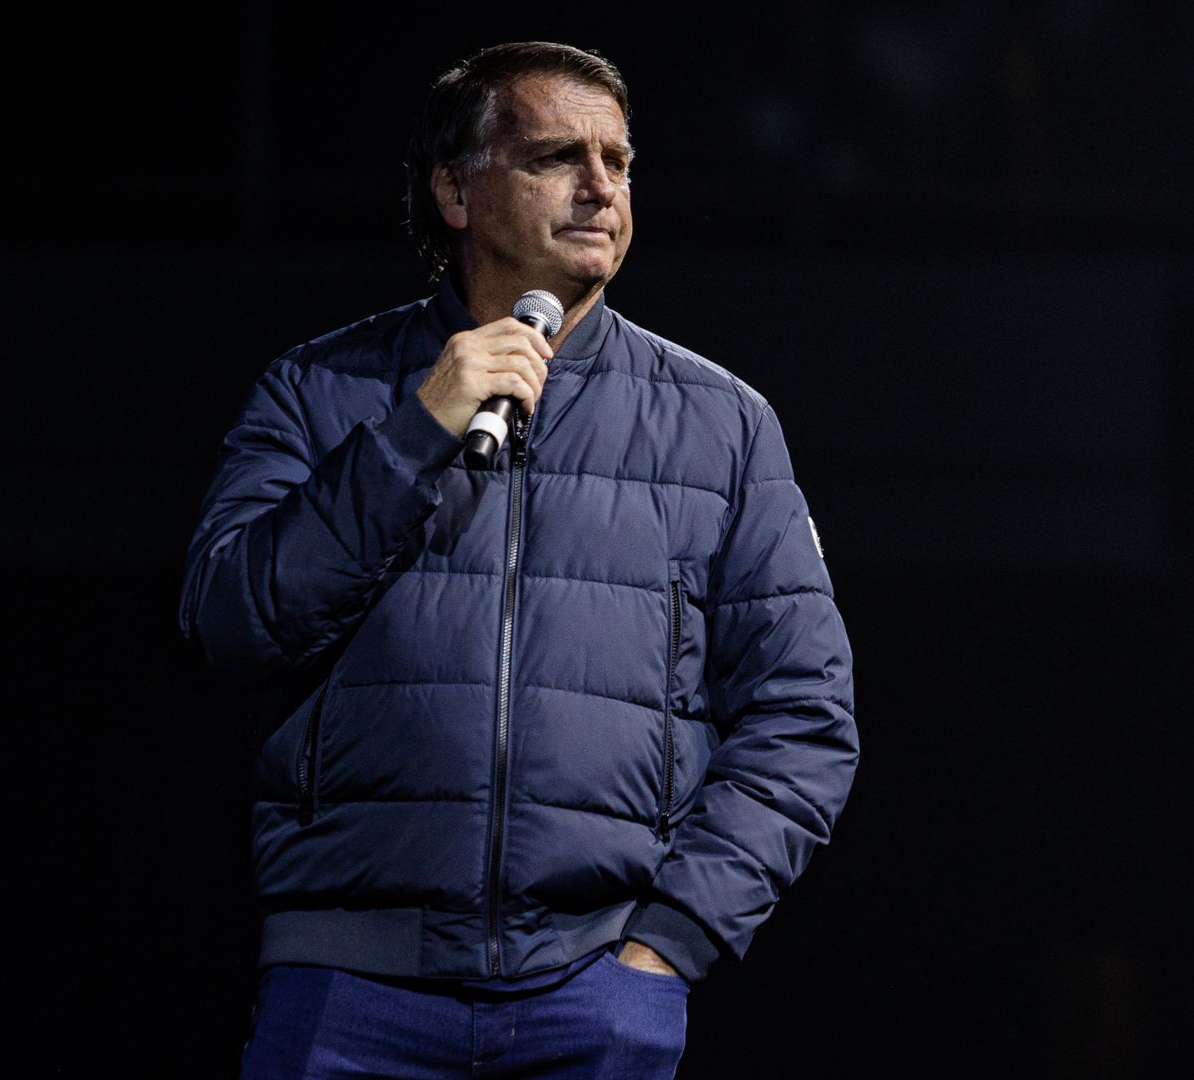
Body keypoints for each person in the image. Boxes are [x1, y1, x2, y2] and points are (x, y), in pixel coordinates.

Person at [177, 41, 858, 1078]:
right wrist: (414, 436)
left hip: (597, 994)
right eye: (555, 157)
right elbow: (232, 621)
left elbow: (805, 715)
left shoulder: (722, 425)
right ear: (455, 188)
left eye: (618, 163)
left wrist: (665, 947)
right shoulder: (322, 390)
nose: (600, 189)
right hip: (350, 991)